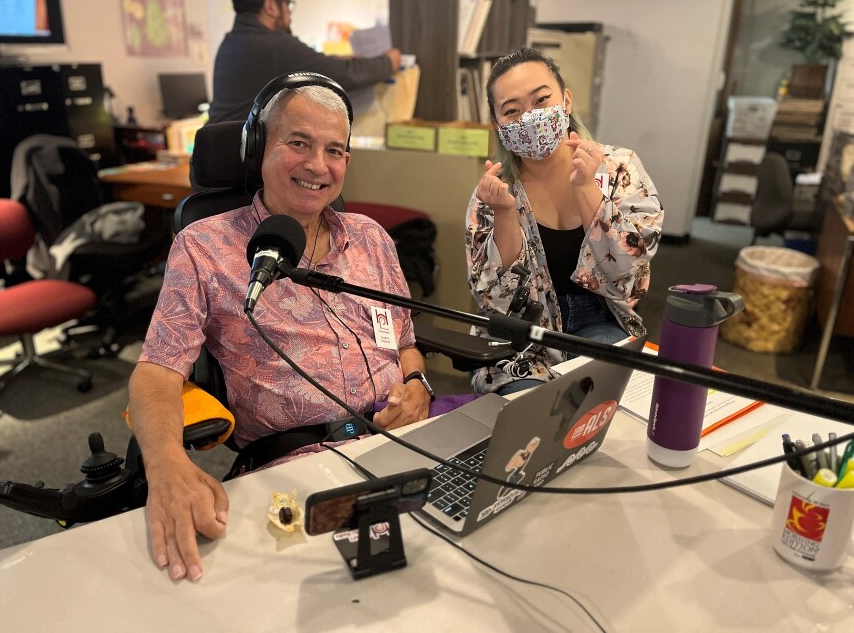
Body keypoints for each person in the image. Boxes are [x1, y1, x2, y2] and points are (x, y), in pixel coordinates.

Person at [127, 77, 432, 582]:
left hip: (398, 446)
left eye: (334, 150)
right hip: (297, 470)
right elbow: (156, 373)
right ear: (257, 149)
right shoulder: (205, 247)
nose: (318, 165)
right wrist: (165, 465)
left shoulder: (373, 239)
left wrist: (418, 385)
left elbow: (405, 343)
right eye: (298, 143)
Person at [465, 48, 663, 396]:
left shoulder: (619, 168)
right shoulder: (493, 192)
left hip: (600, 318)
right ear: (497, 125)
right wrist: (504, 214)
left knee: (602, 401)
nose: (529, 118)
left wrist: (586, 188)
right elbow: (496, 303)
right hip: (521, 337)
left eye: (541, 100)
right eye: (512, 111)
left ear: (566, 101)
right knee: (529, 413)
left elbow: (628, 276)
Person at [207, 0, 401, 123]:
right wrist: (388, 61)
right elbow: (345, 75)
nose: (289, 14)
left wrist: (338, 60)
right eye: (287, 3)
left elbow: (312, 63)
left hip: (215, 160)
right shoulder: (273, 45)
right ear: (270, 7)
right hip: (236, 168)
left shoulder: (233, 42)